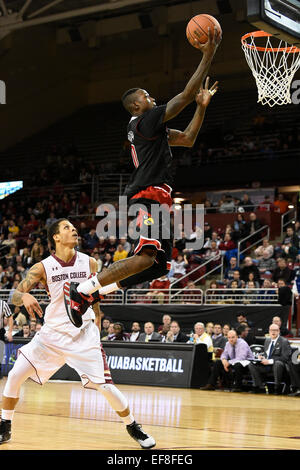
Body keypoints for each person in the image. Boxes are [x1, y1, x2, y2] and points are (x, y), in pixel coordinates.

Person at [63, 29, 221, 327]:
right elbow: (185, 95)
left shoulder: (152, 130)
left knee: (157, 266)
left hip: (158, 197)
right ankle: (81, 290)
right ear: (136, 105)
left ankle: (95, 293)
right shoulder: (143, 121)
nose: (152, 98)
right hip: (146, 195)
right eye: (147, 96)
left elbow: (187, 139)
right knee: (145, 255)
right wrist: (208, 55)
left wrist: (201, 108)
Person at [0, 219, 155, 448]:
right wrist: (22, 296)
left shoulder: (89, 262)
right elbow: (15, 293)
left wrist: (98, 323)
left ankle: (133, 426)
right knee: (14, 376)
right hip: (51, 335)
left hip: (83, 334)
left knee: (106, 386)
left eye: (74, 226)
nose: (73, 229)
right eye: (66, 227)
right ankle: (5, 425)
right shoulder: (42, 267)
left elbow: (96, 297)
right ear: (55, 237)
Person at [248, 323, 292, 394]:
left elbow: (285, 357)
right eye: (271, 330)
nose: (273, 332)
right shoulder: (267, 341)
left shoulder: (284, 341)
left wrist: (270, 361)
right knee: (251, 364)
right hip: (266, 365)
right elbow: (266, 354)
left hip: (278, 366)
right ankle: (259, 386)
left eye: (275, 330)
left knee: (277, 364)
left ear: (278, 331)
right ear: (269, 331)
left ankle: (277, 388)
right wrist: (262, 357)